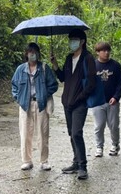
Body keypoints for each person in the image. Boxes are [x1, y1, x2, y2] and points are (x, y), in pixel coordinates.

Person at [50, 28, 96, 180]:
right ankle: (76, 162)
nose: (72, 42)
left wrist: (79, 98)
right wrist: (56, 65)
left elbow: (91, 84)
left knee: (77, 132)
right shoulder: (69, 58)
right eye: (70, 40)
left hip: (79, 103)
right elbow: (63, 78)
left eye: (74, 39)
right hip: (67, 102)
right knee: (71, 133)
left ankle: (83, 167)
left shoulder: (88, 58)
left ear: (82, 41)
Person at [11, 42, 59, 171]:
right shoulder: (20, 69)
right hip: (25, 104)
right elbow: (14, 86)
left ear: (38, 53)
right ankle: (27, 160)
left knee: (43, 133)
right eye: (30, 52)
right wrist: (19, 99)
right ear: (26, 54)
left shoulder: (44, 68)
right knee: (25, 133)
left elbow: (53, 84)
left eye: (35, 52)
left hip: (41, 104)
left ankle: (44, 161)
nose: (33, 54)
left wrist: (43, 94)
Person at [92, 41, 121, 158]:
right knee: (99, 126)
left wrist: (116, 97)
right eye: (103, 51)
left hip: (112, 101)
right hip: (98, 101)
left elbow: (120, 84)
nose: (106, 53)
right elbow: (88, 83)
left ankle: (115, 144)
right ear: (97, 52)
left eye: (108, 50)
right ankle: (99, 146)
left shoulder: (115, 65)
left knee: (114, 125)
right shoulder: (93, 65)